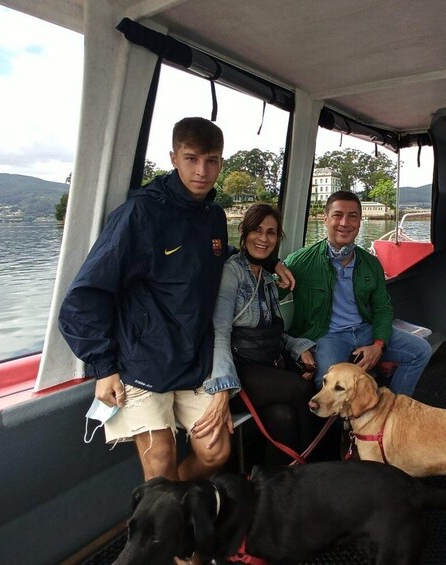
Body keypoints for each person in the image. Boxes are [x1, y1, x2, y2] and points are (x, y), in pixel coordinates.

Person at [59, 117, 293, 481]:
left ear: (221, 162)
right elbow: (85, 296)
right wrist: (103, 366)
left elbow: (214, 255)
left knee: (216, 452)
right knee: (160, 462)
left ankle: (174, 505)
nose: (202, 170)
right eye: (191, 158)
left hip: (191, 360)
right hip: (143, 361)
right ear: (173, 158)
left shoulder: (213, 216)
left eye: (212, 160)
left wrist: (271, 260)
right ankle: (164, 519)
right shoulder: (140, 214)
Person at [284, 191, 432, 396]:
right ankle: (344, 426)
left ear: (360, 222)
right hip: (328, 335)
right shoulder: (301, 261)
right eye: (337, 215)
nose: (345, 222)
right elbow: (274, 291)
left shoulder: (370, 263)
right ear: (325, 218)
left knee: (421, 351)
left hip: (365, 329)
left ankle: (394, 410)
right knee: (325, 380)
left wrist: (378, 345)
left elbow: (382, 308)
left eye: (352, 216)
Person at [212, 204, 317, 466]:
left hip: (265, 367)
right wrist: (222, 389)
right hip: (238, 372)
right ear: (244, 232)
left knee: (282, 417)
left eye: (271, 233)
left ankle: (275, 485)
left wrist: (298, 347)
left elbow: (272, 331)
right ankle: (316, 469)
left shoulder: (268, 278)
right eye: (257, 230)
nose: (263, 238)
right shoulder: (231, 272)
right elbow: (220, 333)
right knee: (304, 389)